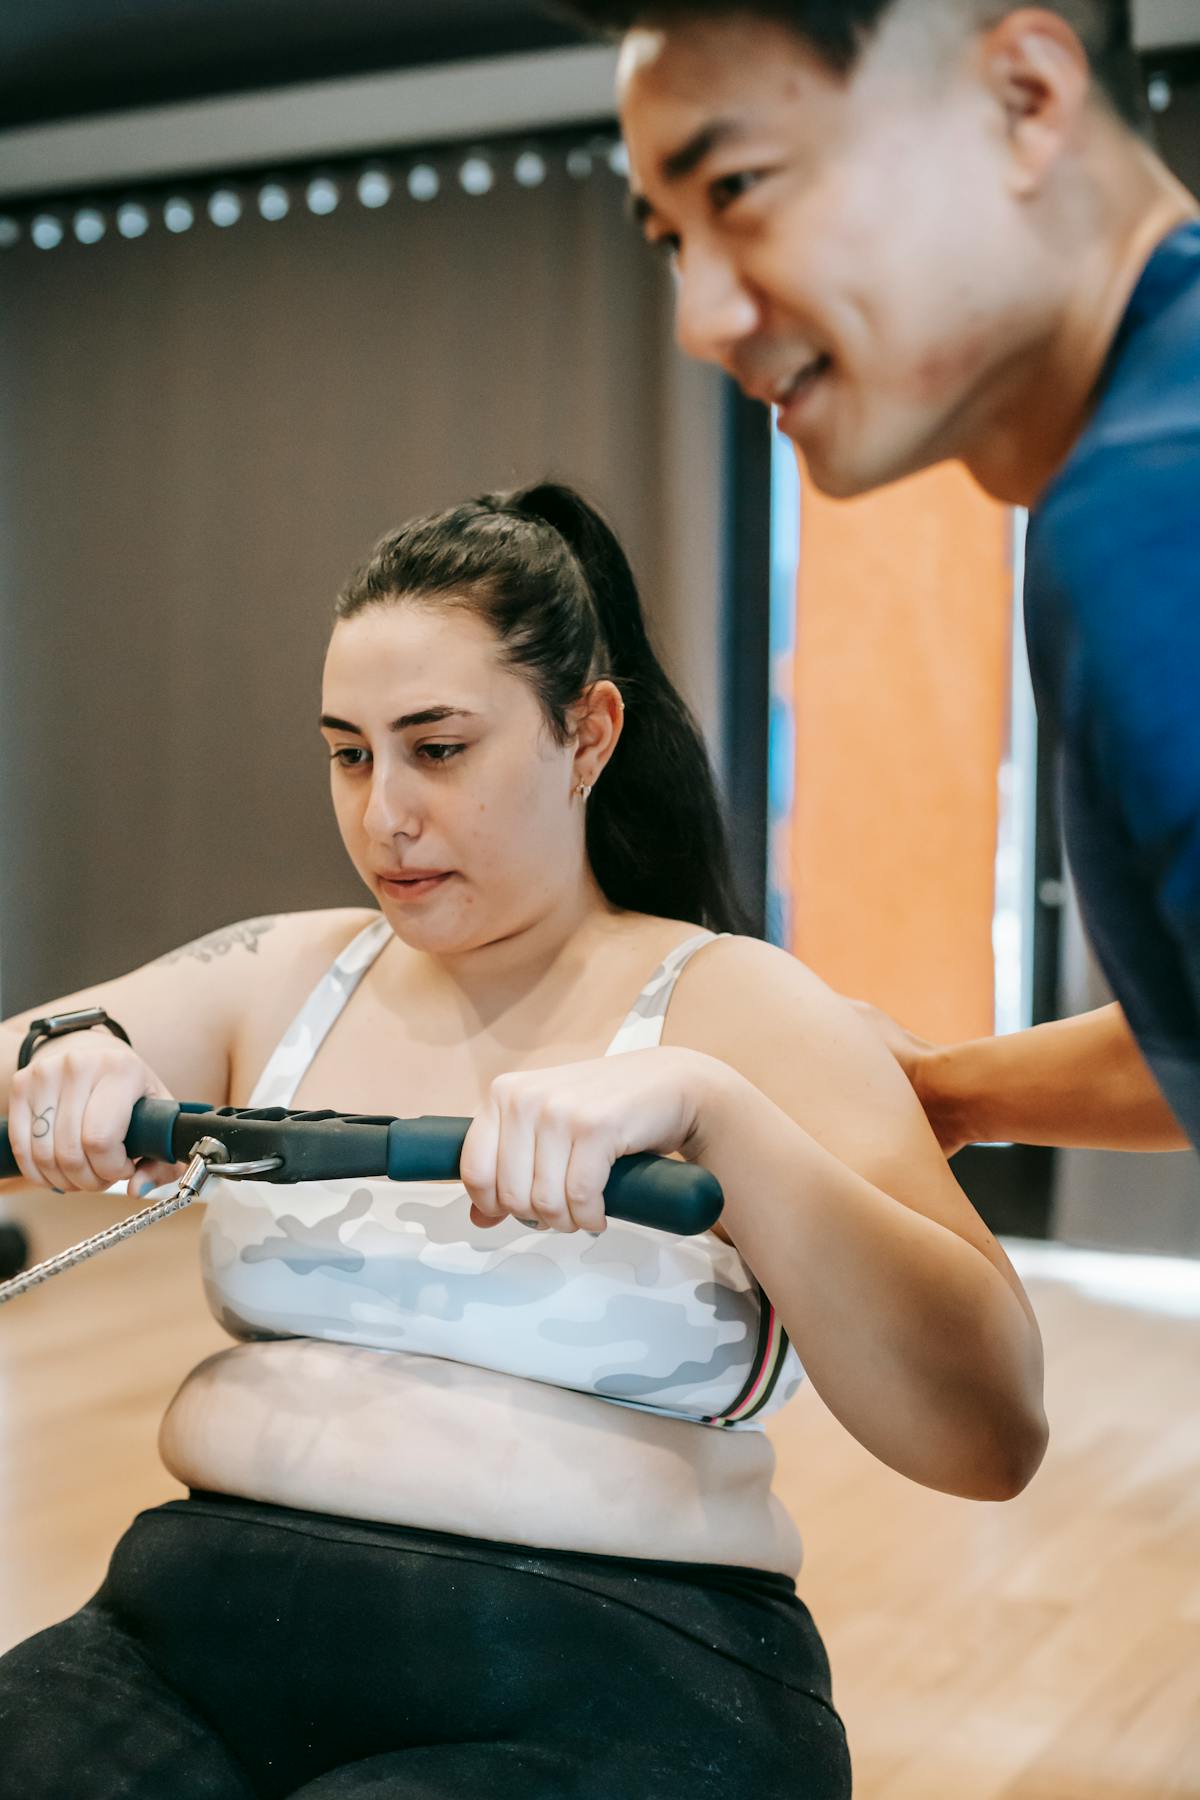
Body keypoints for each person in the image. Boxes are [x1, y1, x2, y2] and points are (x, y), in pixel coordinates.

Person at [0, 483, 1045, 1799]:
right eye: (349, 753)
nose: (385, 814)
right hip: (182, 1641)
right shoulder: (283, 969)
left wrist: (721, 1118)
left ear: (585, 735)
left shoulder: (741, 1007)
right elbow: (25, 1060)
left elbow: (992, 1433)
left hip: (616, 1674)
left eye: (438, 749)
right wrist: (60, 1060)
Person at [559, 0, 1200, 1155]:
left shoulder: (1150, 508)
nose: (700, 319)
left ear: (1025, 102)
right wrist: (937, 1092)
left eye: (740, 189)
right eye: (670, 240)